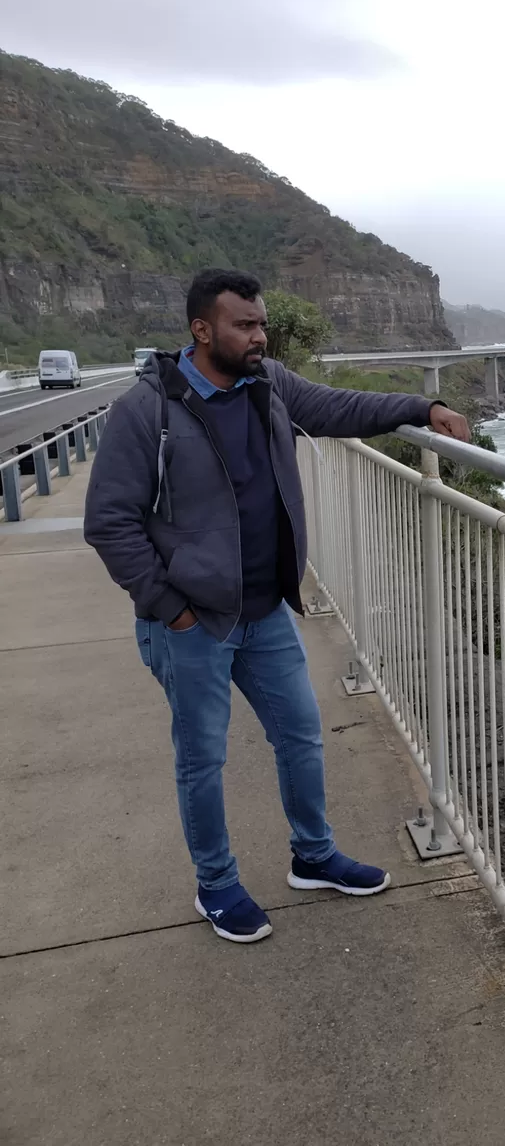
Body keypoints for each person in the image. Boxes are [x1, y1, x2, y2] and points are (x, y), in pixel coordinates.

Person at [84, 268, 471, 944]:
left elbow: (337, 408)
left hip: (264, 610)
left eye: (261, 323)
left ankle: (313, 856)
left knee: (300, 734)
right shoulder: (146, 410)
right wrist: (167, 604)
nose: (259, 334)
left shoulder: (270, 387)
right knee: (201, 760)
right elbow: (109, 520)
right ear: (202, 330)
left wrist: (417, 407)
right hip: (193, 621)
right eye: (245, 325)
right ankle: (216, 885)